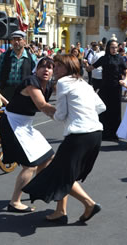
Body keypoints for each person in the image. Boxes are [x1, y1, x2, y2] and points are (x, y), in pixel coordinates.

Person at [23, 55, 105, 225]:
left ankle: (89, 204)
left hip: (79, 135)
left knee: (61, 174)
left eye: (59, 66)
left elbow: (60, 115)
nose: (55, 69)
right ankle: (60, 211)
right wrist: (84, 114)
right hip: (95, 133)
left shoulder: (62, 83)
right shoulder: (84, 83)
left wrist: (47, 110)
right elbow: (101, 107)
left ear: (68, 67)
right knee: (66, 173)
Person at [0, 57, 56, 213]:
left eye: (50, 67)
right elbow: (42, 106)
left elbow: (52, 107)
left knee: (48, 156)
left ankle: (38, 188)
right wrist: (67, 115)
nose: (46, 70)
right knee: (30, 165)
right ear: (36, 69)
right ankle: (14, 202)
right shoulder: (31, 82)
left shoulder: (49, 85)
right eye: (43, 67)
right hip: (12, 123)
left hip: (26, 125)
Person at [89, 40, 127, 141]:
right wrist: (84, 64)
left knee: (115, 111)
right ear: (108, 48)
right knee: (103, 109)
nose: (114, 49)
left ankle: (115, 133)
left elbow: (126, 72)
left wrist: (125, 80)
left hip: (116, 87)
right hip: (105, 87)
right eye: (112, 47)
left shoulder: (120, 58)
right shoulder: (103, 58)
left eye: (116, 47)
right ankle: (104, 133)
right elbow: (91, 68)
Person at [0, 31, 37, 101]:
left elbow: (35, 74)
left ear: (24, 41)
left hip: (24, 91)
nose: (16, 42)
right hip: (7, 91)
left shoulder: (31, 57)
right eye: (14, 39)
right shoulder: (4, 56)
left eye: (19, 39)